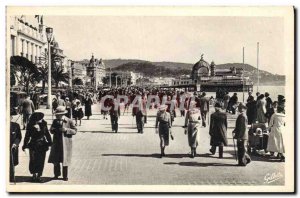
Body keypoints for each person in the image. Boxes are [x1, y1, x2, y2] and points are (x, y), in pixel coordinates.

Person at [48, 106, 77, 181]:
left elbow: (75, 131)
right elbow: (51, 130)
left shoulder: (69, 121)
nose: (57, 116)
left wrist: (66, 130)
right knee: (56, 159)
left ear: (62, 114)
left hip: (65, 144)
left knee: (65, 160)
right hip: (56, 143)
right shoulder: (55, 121)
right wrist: (52, 130)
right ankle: (56, 174)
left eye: (58, 114)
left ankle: (65, 176)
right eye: (56, 115)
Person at [22, 112, 52, 182]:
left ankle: (39, 176)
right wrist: (25, 145)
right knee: (33, 160)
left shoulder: (44, 124)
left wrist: (50, 142)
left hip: (42, 145)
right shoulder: (30, 125)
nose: (42, 119)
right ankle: (33, 175)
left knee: (41, 160)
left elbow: (47, 133)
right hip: (33, 144)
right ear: (36, 119)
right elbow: (27, 136)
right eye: (41, 118)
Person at [10, 109, 22, 183]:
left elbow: (19, 137)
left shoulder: (16, 126)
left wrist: (15, 143)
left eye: (9, 117)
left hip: (13, 148)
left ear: (11, 118)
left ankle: (11, 176)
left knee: (12, 163)